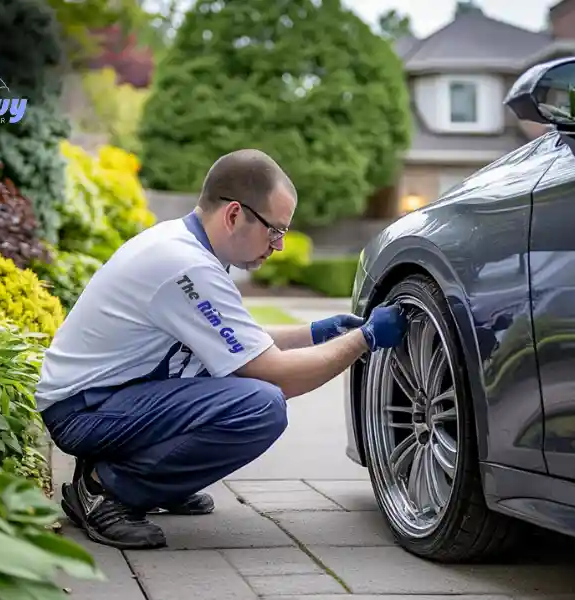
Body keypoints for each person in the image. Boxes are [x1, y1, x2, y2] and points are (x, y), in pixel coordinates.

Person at [35, 149, 408, 550]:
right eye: (274, 230)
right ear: (234, 215)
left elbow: (236, 341)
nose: (279, 246)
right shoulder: (186, 266)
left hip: (100, 399)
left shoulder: (183, 244)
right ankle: (106, 490)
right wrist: (364, 339)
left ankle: (153, 478)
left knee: (230, 378)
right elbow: (278, 375)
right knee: (260, 405)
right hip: (85, 410)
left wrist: (315, 332)